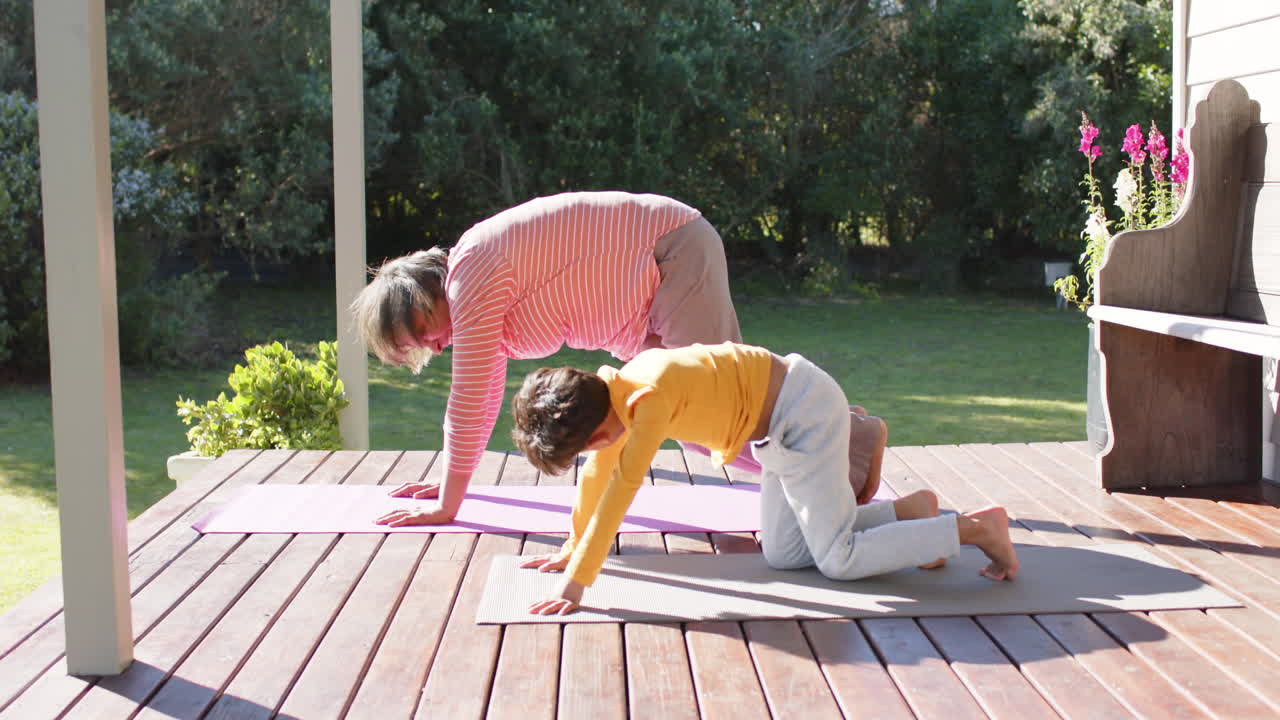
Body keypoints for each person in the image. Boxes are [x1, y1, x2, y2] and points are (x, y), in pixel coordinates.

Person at [352, 191, 883, 528]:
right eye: (418, 348)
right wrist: (451, 482)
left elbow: (468, 396)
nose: (431, 346)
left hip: (671, 256)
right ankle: (842, 440)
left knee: (715, 415)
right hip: (652, 289)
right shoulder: (476, 282)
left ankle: (842, 450)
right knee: (692, 422)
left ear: (425, 293)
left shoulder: (471, 277)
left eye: (420, 331)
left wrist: (448, 505)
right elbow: (485, 391)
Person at [507, 342, 1019, 616]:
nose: (592, 455)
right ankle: (908, 514)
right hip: (778, 433)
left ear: (593, 432)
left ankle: (975, 528)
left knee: (838, 559)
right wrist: (574, 546)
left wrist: (578, 585)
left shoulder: (647, 400)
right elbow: (601, 473)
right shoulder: (611, 395)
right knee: (787, 555)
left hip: (806, 413)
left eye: (583, 449)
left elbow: (621, 489)